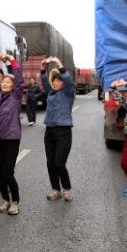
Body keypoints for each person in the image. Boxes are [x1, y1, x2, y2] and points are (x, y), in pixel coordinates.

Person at [0, 52, 24, 215]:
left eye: (9, 82)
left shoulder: (16, 97)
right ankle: (6, 200)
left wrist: (12, 61)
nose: (5, 83)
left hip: (11, 140)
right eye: (4, 81)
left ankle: (15, 201)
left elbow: (20, 79)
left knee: (8, 173)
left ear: (14, 86)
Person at [41, 57, 75, 202]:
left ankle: (67, 189)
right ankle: (56, 189)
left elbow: (68, 81)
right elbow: (44, 81)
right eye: (54, 80)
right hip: (49, 131)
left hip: (64, 132)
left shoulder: (68, 93)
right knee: (50, 163)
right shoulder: (51, 93)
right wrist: (43, 68)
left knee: (59, 163)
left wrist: (60, 65)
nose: (55, 82)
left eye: (59, 80)